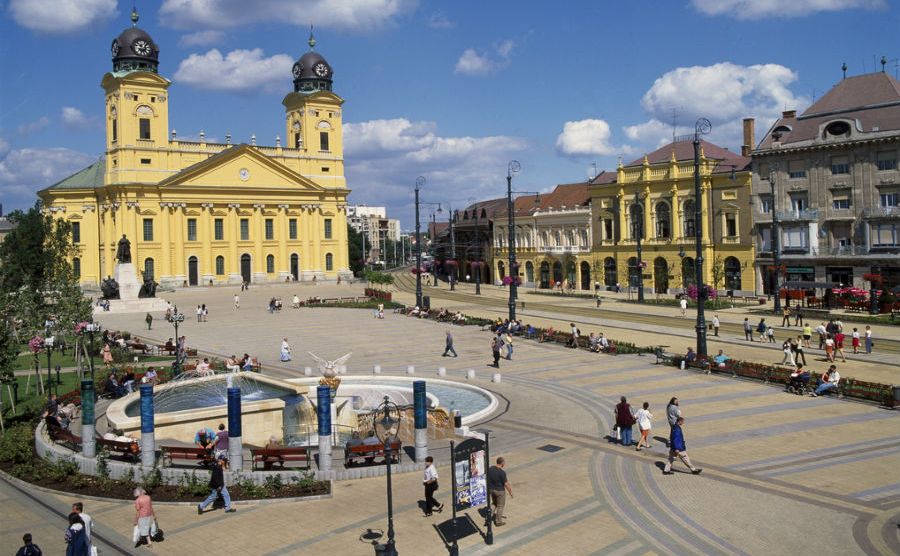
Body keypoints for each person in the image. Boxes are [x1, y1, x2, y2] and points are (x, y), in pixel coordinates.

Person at [487, 457, 514, 526]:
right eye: (504, 462)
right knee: (500, 506)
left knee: (494, 503)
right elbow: (506, 484)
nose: (504, 463)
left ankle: (488, 518)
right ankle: (498, 522)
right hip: (500, 491)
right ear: (502, 463)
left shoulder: (490, 469)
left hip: (491, 490)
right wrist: (510, 492)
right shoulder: (502, 473)